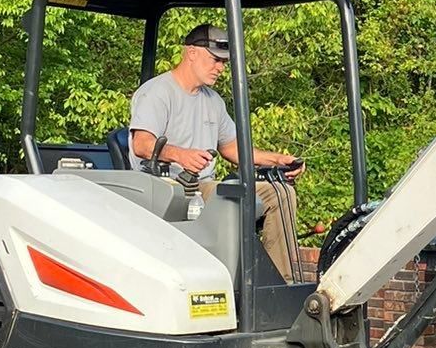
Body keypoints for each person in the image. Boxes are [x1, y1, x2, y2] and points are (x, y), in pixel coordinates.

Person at [128, 23, 305, 281]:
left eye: (224, 62)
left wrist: (279, 160)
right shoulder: (157, 92)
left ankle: (279, 284)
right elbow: (141, 144)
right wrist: (181, 155)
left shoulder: (212, 101)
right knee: (233, 195)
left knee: (279, 192)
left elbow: (232, 149)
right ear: (191, 53)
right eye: (215, 60)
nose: (220, 68)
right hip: (168, 188)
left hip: (203, 186)